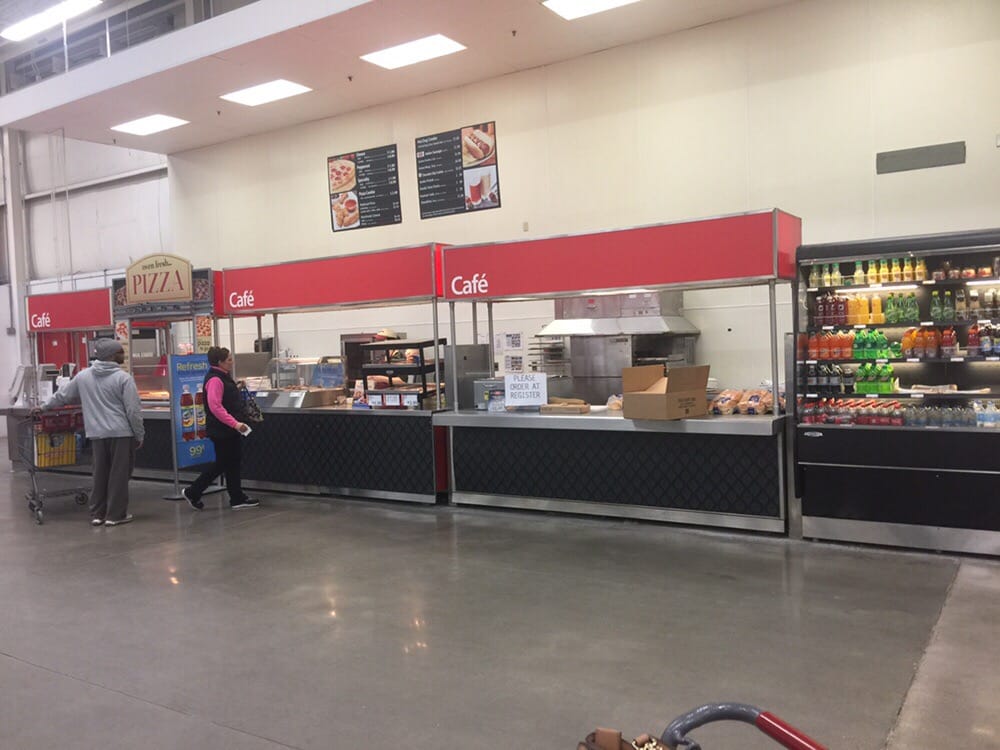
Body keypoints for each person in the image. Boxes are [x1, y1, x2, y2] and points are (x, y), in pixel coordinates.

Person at [40, 338, 144, 527]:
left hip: (96, 433)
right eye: (120, 352)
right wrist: (139, 434)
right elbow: (133, 410)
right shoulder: (123, 378)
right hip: (121, 433)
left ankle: (98, 514)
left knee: (99, 474)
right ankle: (115, 515)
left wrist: (43, 407)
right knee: (119, 475)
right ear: (111, 356)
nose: (123, 354)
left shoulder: (83, 376)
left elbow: (62, 396)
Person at [182, 347, 259, 511]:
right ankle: (193, 491)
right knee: (223, 463)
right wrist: (235, 424)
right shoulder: (216, 380)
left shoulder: (222, 377)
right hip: (222, 429)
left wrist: (236, 388)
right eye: (229, 359)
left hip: (227, 429)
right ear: (220, 362)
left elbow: (223, 398)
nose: (232, 362)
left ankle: (236, 497)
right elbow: (215, 406)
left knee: (232, 462)